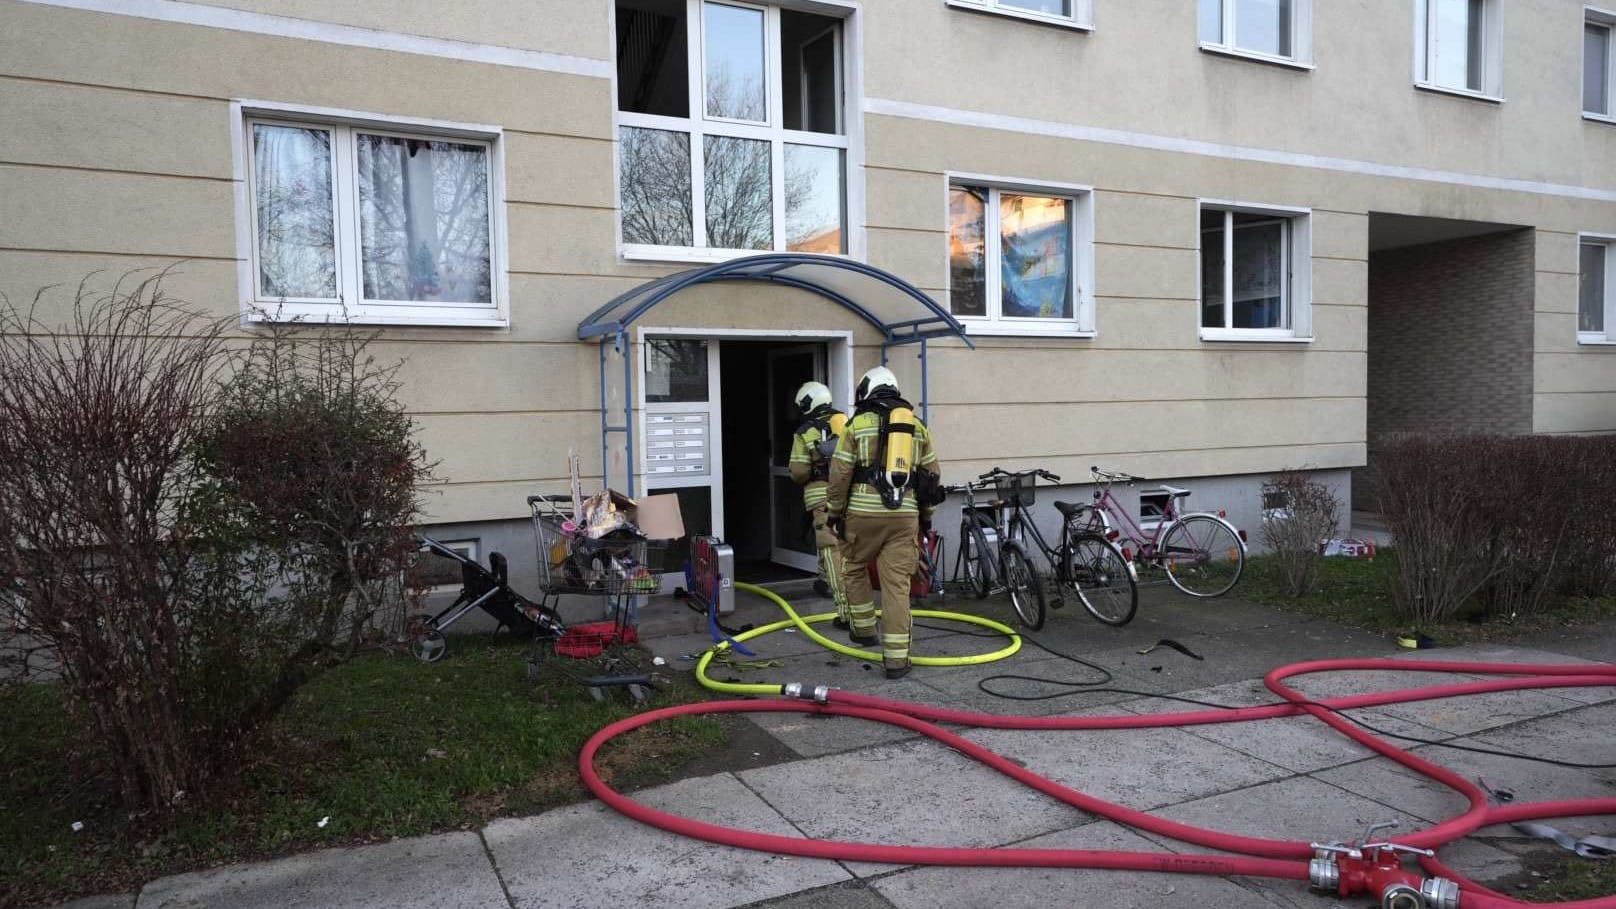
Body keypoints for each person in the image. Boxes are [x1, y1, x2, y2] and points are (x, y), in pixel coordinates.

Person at [824, 366, 942, 680]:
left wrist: (834, 513)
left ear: (868, 390)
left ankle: (863, 631)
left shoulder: (856, 425)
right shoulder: (916, 426)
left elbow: (839, 475)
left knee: (854, 566)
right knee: (897, 587)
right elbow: (932, 477)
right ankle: (896, 661)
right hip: (905, 516)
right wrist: (925, 518)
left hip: (862, 515)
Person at [787, 381, 851, 630]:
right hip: (851, 496)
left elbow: (799, 472)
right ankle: (825, 582)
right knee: (846, 547)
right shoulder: (847, 422)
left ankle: (847, 612)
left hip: (821, 498)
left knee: (830, 549)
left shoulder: (805, 431)